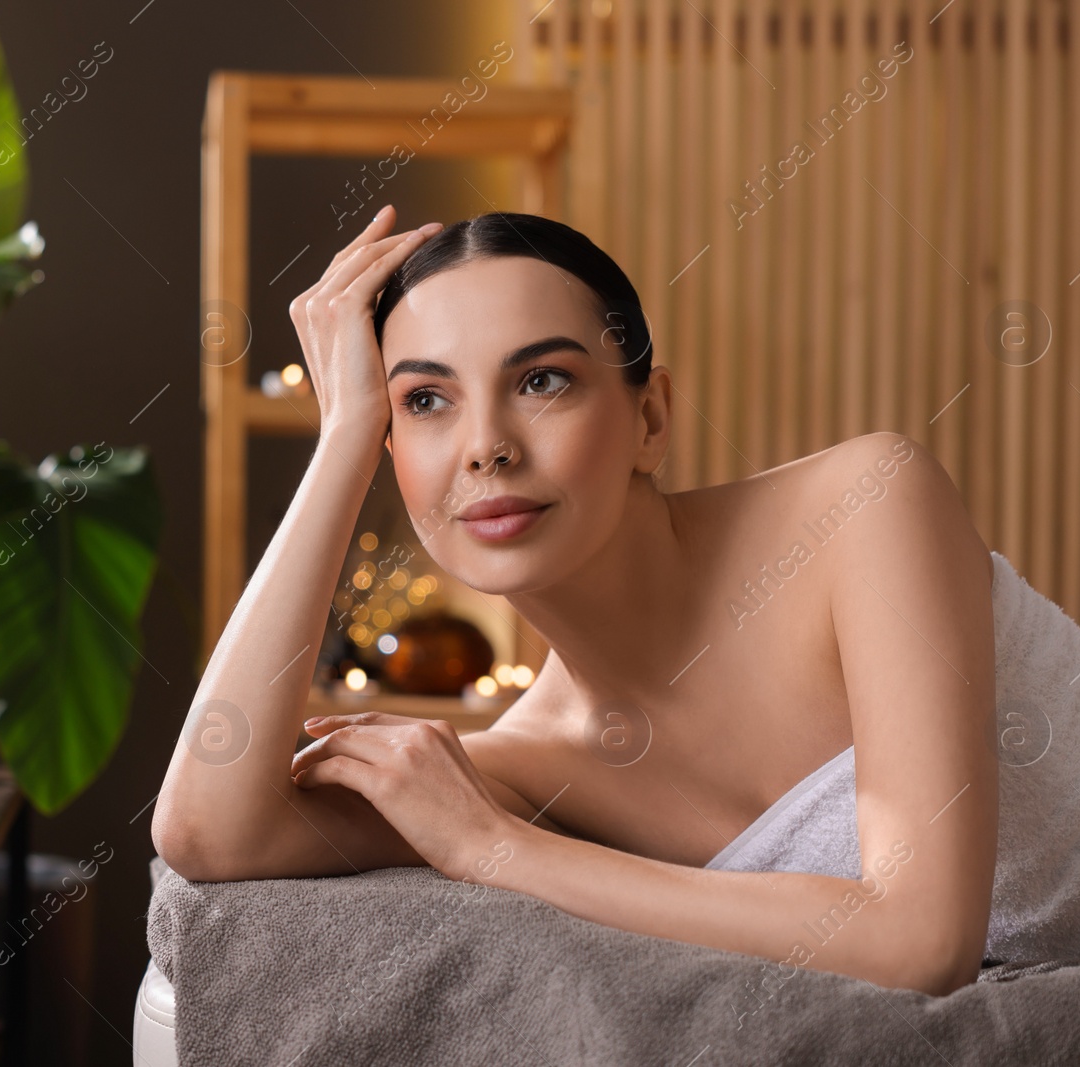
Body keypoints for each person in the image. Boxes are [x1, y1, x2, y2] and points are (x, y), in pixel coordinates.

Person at [154, 204, 1007, 996]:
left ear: (651, 419)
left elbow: (922, 941)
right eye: (423, 400)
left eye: (542, 381)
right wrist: (343, 434)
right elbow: (210, 831)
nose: (485, 446)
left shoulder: (862, 508)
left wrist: (498, 850)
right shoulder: (526, 766)